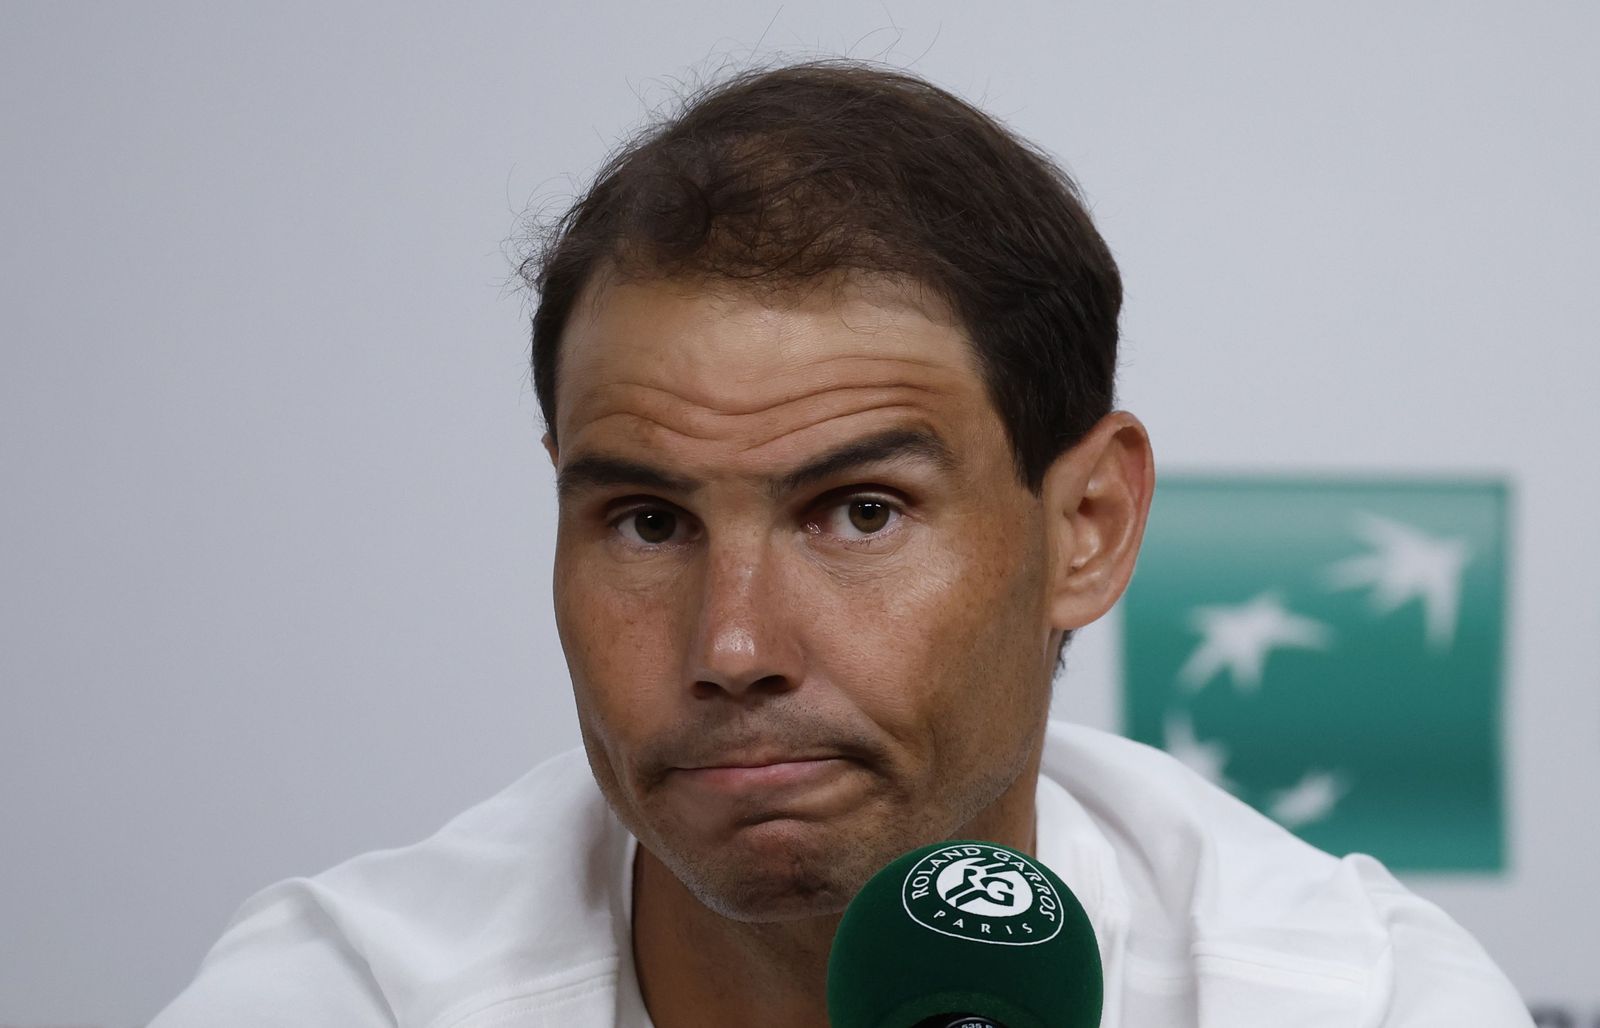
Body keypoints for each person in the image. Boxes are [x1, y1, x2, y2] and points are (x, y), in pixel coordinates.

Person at [151, 61, 1532, 1027]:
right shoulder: (348, 1000)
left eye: (859, 511)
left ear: (1086, 529)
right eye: (647, 522)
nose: (732, 644)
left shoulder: (1353, 1002)